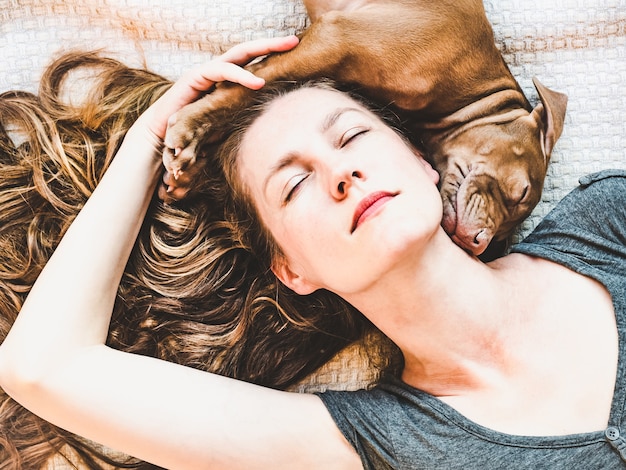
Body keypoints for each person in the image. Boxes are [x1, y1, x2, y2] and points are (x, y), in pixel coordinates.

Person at [0, 36, 624, 469]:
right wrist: (152, 136)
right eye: (293, 185)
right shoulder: (380, 445)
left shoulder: (607, 219)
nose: (341, 174)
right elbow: (43, 366)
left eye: (351, 136)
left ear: (421, 162)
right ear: (292, 269)